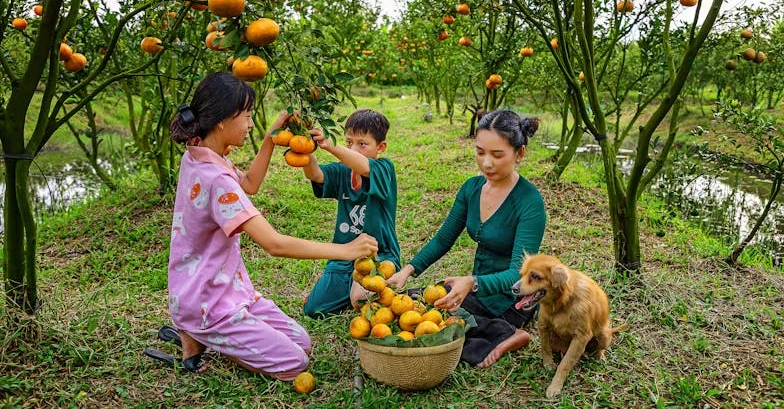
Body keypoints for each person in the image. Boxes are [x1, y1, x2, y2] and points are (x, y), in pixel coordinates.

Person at [167, 72, 378, 379]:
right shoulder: (216, 180)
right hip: (207, 302)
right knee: (295, 363)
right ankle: (201, 332)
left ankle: (203, 333)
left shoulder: (201, 153)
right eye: (248, 116)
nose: (251, 124)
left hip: (229, 291)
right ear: (224, 119)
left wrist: (270, 137)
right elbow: (273, 244)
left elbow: (250, 184)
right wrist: (346, 250)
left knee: (302, 343)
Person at [387, 109, 546, 368]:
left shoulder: (529, 203)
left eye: (497, 155)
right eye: (480, 152)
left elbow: (519, 271)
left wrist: (472, 282)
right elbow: (443, 238)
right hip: (474, 289)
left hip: (511, 299)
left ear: (519, 154)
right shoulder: (472, 188)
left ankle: (509, 334)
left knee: (447, 334)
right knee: (416, 308)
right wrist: (408, 269)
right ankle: (488, 327)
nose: (486, 163)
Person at [299, 109, 401, 317]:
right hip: (344, 256)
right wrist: (305, 148)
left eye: (362, 144)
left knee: (365, 302)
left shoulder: (384, 169)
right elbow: (316, 175)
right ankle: (348, 288)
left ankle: (364, 289)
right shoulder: (343, 171)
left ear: (380, 147)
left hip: (378, 257)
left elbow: (364, 166)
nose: (354, 149)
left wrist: (330, 145)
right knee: (314, 310)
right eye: (348, 142)